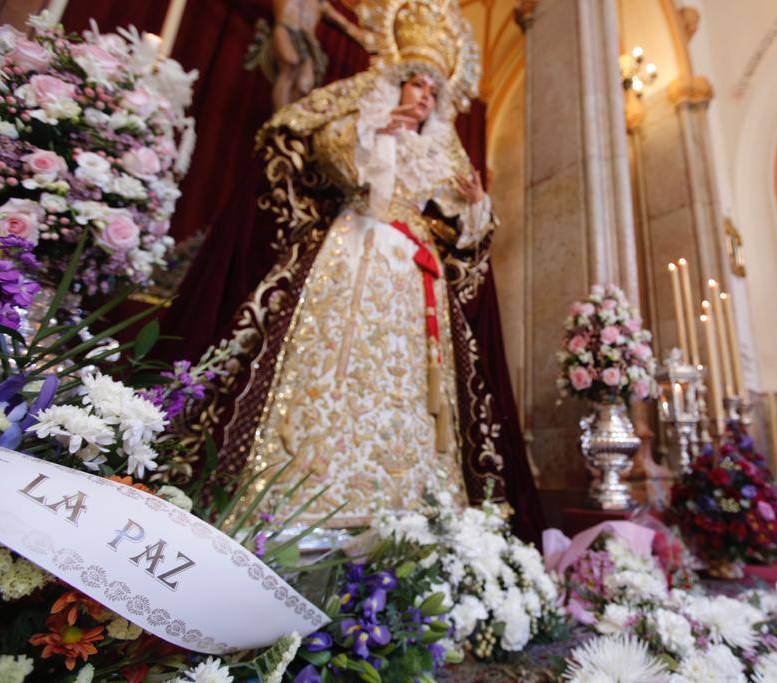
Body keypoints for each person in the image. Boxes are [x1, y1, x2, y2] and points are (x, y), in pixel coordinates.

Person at [193, 0, 531, 530]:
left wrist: (474, 203)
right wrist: (377, 137)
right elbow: (332, 162)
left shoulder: (442, 149)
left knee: (413, 383)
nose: (425, 96)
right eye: (418, 84)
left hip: (418, 273)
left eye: (434, 91)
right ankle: (308, 489)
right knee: (338, 355)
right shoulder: (364, 119)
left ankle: (410, 504)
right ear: (397, 80)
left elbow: (466, 233)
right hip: (359, 248)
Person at [245, 0, 368, 110]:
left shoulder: (321, 4)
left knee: (305, 86)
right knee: (290, 65)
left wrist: (372, 41)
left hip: (307, 42)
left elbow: (347, 27)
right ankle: (278, 119)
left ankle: (289, 119)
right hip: (285, 30)